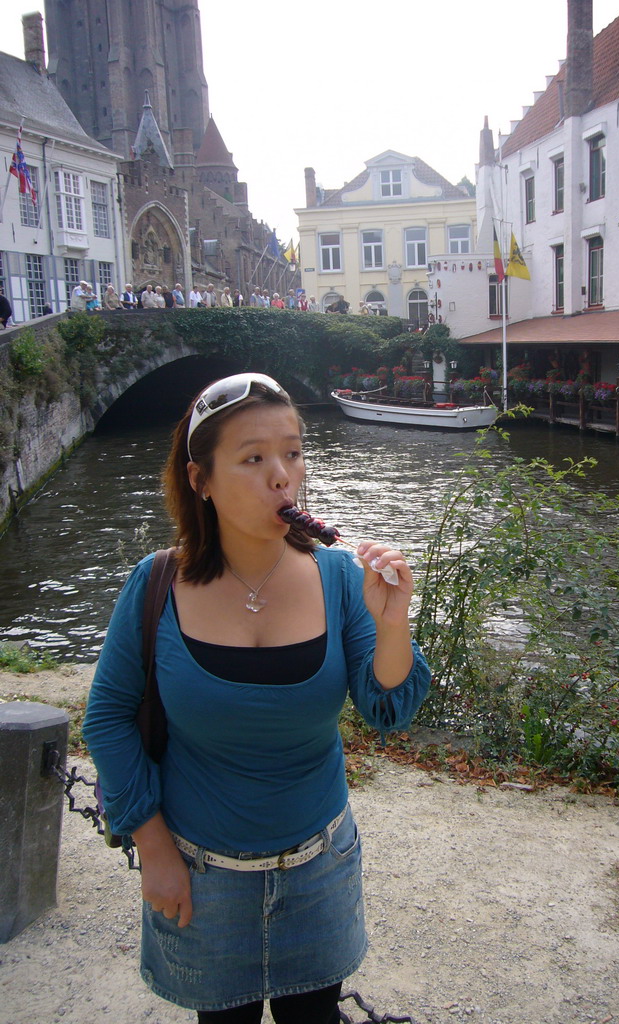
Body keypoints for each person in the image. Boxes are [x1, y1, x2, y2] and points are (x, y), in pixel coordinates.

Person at [83, 372, 431, 1024]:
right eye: (253, 458)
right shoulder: (155, 583)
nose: (283, 476)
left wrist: (392, 621)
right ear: (200, 480)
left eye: (293, 452)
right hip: (199, 874)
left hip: (319, 867)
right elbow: (106, 719)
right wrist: (154, 851)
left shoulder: (336, 577)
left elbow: (388, 710)